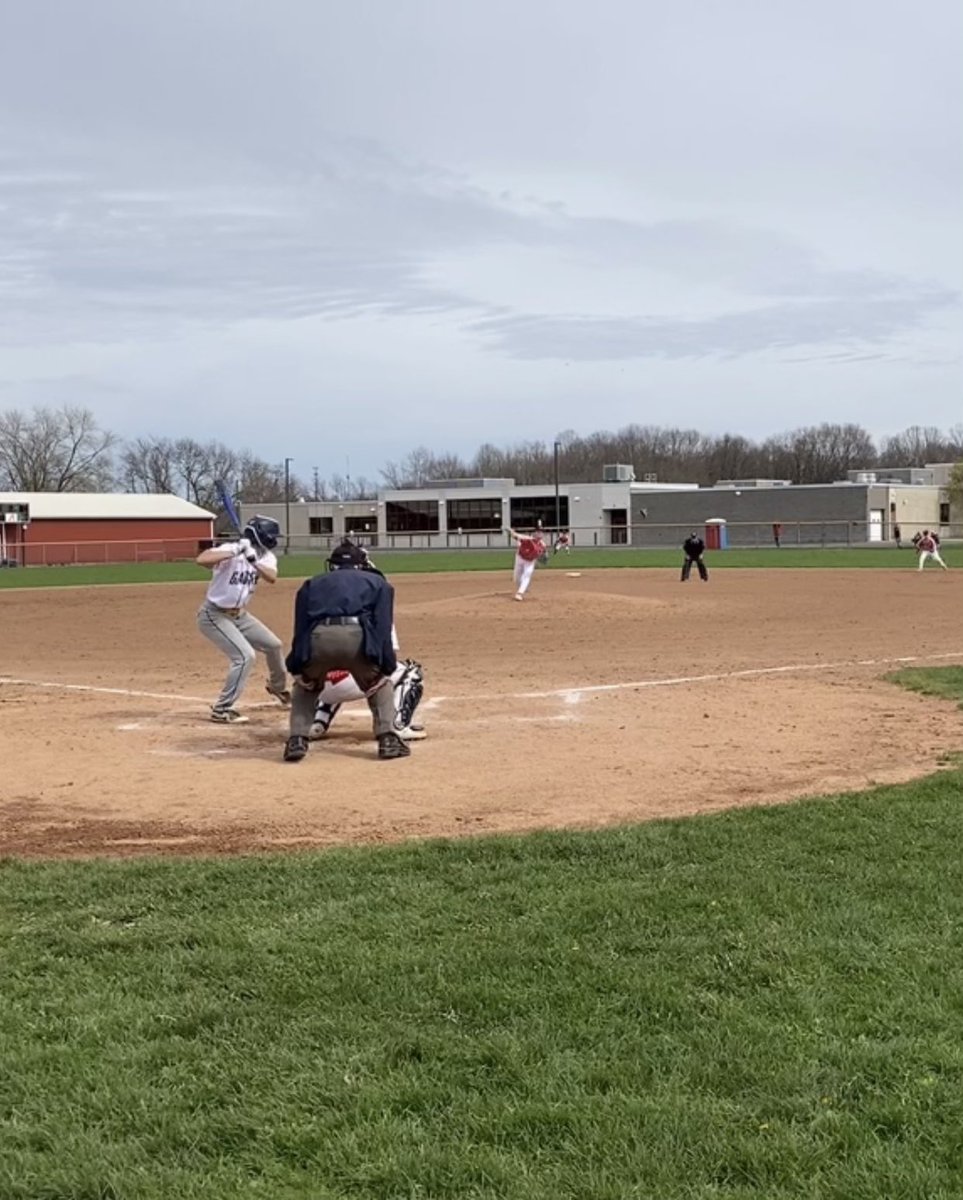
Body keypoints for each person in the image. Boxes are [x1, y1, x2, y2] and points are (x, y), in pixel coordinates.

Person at [283, 539, 409, 762]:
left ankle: (297, 739)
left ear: (332, 565)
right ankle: (387, 738)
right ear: (362, 564)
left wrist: (297, 666)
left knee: (306, 686)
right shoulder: (378, 583)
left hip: (319, 637)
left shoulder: (311, 584)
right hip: (358, 638)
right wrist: (385, 665)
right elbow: (382, 626)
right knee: (378, 684)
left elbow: (301, 627)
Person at [307, 542, 426, 742]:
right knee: (410, 672)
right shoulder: (376, 599)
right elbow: (386, 653)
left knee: (333, 657)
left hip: (316, 684)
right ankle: (396, 725)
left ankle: (317, 721)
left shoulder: (318, 593)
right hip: (356, 679)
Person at [196, 515, 290, 724]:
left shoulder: (265, 556)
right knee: (245, 656)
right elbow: (201, 559)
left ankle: (277, 688)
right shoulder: (231, 549)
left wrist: (252, 560)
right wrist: (235, 551)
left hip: (240, 615)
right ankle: (222, 709)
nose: (275, 540)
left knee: (273, 645)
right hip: (214, 614)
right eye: (272, 536)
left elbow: (271, 577)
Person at [508, 527, 547, 600]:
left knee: (527, 575)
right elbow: (515, 536)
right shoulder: (527, 539)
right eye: (538, 532)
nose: (539, 533)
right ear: (534, 533)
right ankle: (523, 587)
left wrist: (540, 558)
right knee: (516, 578)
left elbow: (543, 555)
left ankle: (520, 593)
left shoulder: (543, 545)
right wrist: (511, 532)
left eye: (541, 532)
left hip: (530, 561)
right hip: (520, 558)